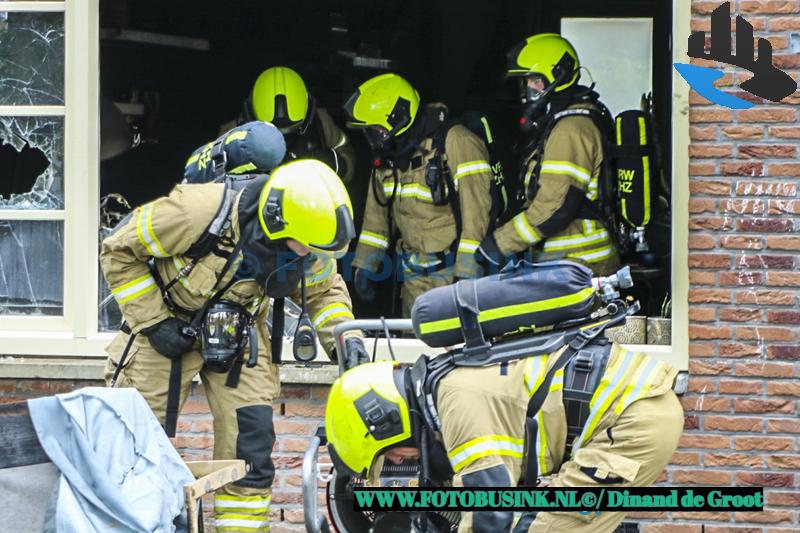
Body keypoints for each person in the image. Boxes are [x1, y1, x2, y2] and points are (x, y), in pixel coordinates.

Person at [100, 160, 369, 532]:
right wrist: (155, 321)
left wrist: (347, 341)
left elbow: (325, 294)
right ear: (278, 223)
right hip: (166, 327)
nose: (308, 255)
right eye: (305, 246)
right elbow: (117, 251)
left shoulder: (308, 240)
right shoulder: (195, 212)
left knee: (251, 444)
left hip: (241, 332)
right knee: (133, 445)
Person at [325, 344, 683, 533]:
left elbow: (491, 511)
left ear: (390, 423)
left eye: (397, 458)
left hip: (632, 421)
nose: (405, 464)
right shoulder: (444, 384)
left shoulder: (456, 405)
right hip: (632, 407)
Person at [345, 73, 494, 316]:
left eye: (376, 130)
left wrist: (467, 274)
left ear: (399, 117)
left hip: (452, 278)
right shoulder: (389, 157)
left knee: (454, 348)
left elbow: (476, 215)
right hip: (413, 279)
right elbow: (376, 220)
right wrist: (365, 266)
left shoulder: (456, 142)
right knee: (414, 348)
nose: (372, 138)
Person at [476, 33, 620, 276]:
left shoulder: (571, 129)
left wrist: (497, 245)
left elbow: (554, 206)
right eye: (526, 82)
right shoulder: (561, 123)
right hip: (567, 265)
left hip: (580, 265)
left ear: (558, 76)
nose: (528, 89)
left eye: (535, 80)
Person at [222, 66, 356, 183]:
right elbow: (211, 182)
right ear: (251, 117)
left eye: (291, 131)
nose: (283, 140)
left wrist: (339, 165)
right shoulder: (231, 134)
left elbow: (346, 152)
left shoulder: (321, 122)